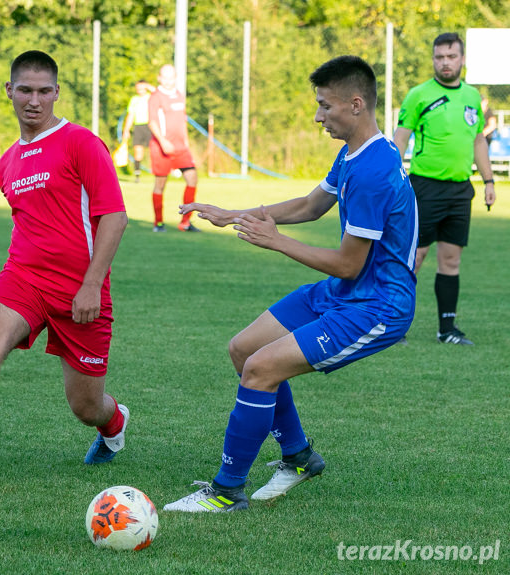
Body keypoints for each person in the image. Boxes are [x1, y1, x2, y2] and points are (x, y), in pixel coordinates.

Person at [164, 55, 418, 513]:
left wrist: (276, 242)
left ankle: (227, 492)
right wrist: (236, 214)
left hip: (378, 306)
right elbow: (309, 205)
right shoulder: (358, 153)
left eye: (325, 106)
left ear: (356, 104)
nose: (318, 116)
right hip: (348, 293)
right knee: (244, 351)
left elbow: (346, 264)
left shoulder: (373, 172)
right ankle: (300, 457)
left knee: (261, 370)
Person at [0, 50, 130, 499]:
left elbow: (115, 217)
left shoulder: (82, 142)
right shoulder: (6, 163)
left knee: (86, 406)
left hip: (81, 292)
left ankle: (115, 421)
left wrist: (89, 285)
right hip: (23, 276)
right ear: (9, 90)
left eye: (44, 91)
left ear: (57, 93)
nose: (34, 100)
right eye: (25, 89)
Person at [393, 32, 496, 346]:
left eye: (451, 56)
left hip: (460, 190)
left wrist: (489, 181)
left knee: (451, 260)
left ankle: (447, 330)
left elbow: (478, 139)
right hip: (425, 187)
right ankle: (394, 327)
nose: (445, 62)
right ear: (433, 59)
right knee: (415, 257)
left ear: (462, 59)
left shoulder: (471, 97)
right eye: (439, 57)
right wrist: (392, 180)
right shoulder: (418, 95)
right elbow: (400, 138)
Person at [147, 64, 199, 232]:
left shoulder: (179, 95)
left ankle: (185, 222)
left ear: (175, 78)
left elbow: (182, 121)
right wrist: (163, 142)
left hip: (180, 148)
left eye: (172, 77)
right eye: (165, 77)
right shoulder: (155, 97)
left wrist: (186, 142)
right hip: (162, 147)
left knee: (192, 179)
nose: (169, 81)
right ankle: (159, 223)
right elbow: (152, 121)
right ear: (159, 78)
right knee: (160, 185)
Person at [122, 80, 154, 183]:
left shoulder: (151, 97)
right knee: (138, 151)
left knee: (153, 150)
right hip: (138, 127)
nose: (140, 90)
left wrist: (148, 85)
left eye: (142, 88)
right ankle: (137, 175)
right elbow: (130, 115)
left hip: (150, 126)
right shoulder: (134, 99)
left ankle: (158, 172)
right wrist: (126, 130)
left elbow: (159, 93)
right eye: (138, 88)